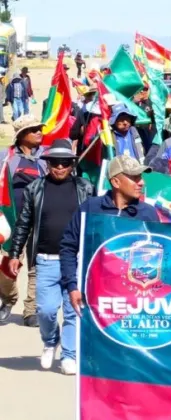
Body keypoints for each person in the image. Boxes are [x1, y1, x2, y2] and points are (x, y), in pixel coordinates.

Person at [60, 155, 160, 420]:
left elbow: (163, 251)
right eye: (134, 177)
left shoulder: (148, 213)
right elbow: (68, 246)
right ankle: (109, 416)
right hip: (98, 301)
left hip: (136, 302)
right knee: (102, 364)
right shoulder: (90, 210)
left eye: (142, 177)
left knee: (129, 362)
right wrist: (72, 286)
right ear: (116, 181)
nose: (141, 182)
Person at [8, 140, 93, 374]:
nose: (59, 167)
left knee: (72, 310)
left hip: (76, 261)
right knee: (45, 310)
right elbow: (23, 223)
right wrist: (15, 253)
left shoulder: (85, 188)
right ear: (48, 164)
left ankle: (69, 355)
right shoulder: (35, 188)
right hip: (46, 259)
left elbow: (94, 224)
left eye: (64, 163)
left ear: (72, 165)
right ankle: (50, 341)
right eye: (55, 163)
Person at [0, 115, 48, 326]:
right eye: (34, 129)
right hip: (12, 222)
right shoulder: (6, 157)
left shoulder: (48, 157)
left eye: (40, 128)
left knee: (36, 266)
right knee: (6, 265)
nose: (39, 132)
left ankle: (31, 311)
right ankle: (9, 299)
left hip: (41, 220)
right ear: (21, 135)